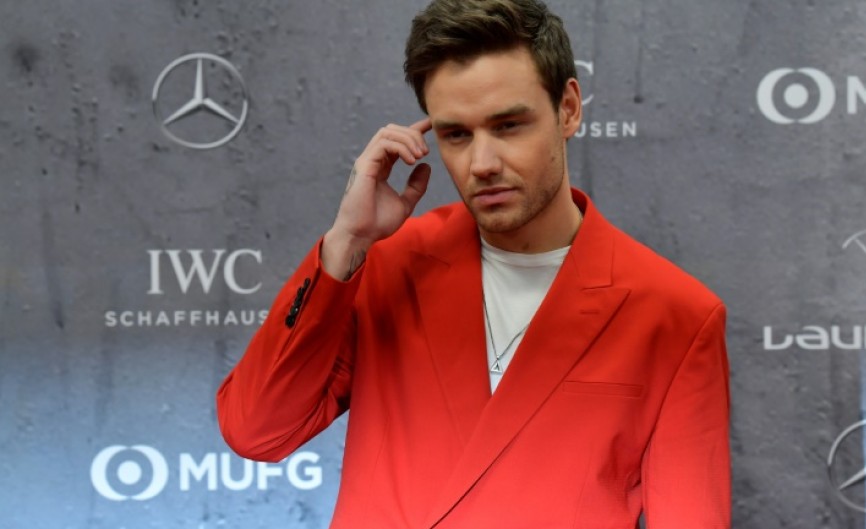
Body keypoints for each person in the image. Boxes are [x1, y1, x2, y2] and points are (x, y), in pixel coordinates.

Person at [216, 0, 731, 527]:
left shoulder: (675, 315)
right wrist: (345, 244)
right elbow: (256, 431)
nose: (482, 164)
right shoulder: (386, 267)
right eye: (456, 135)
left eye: (509, 126)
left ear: (569, 109)